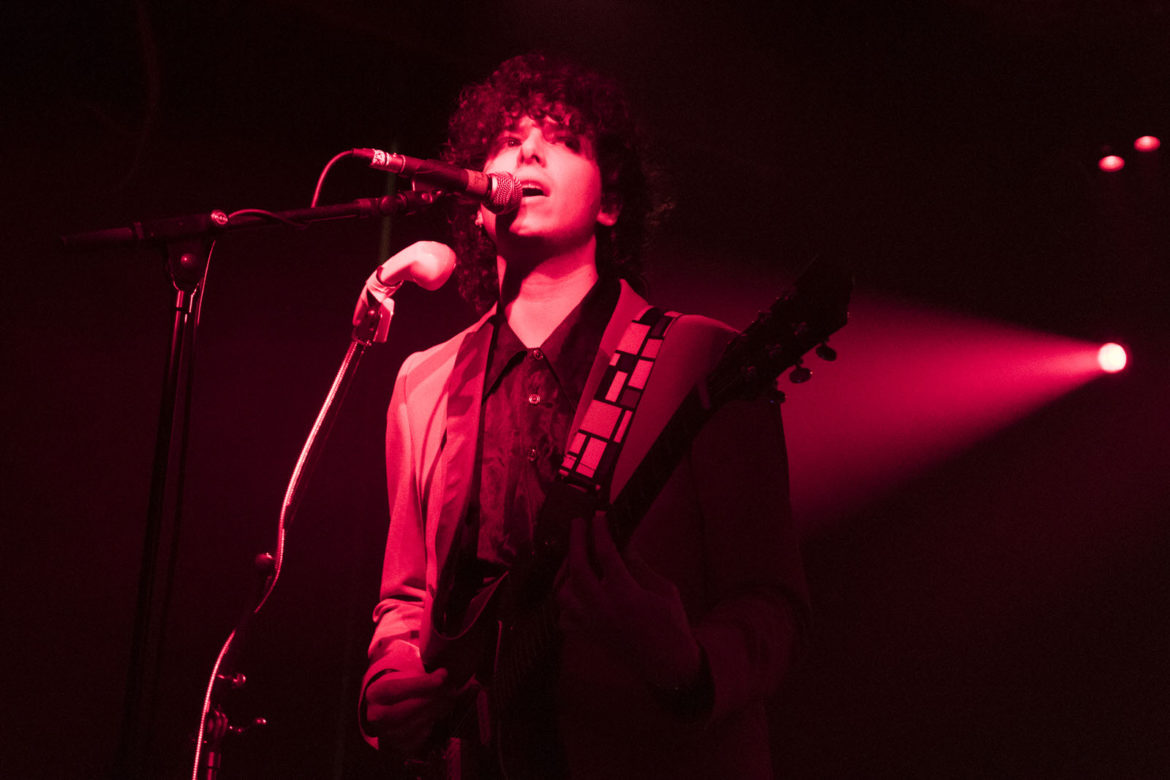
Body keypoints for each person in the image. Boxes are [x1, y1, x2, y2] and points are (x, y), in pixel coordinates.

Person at [360, 52, 809, 779]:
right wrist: (387, 683)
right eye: (506, 139)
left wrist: (687, 661)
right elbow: (404, 599)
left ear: (611, 203)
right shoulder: (424, 381)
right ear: (479, 202)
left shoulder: (703, 361)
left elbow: (774, 608)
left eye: (563, 140)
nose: (527, 149)